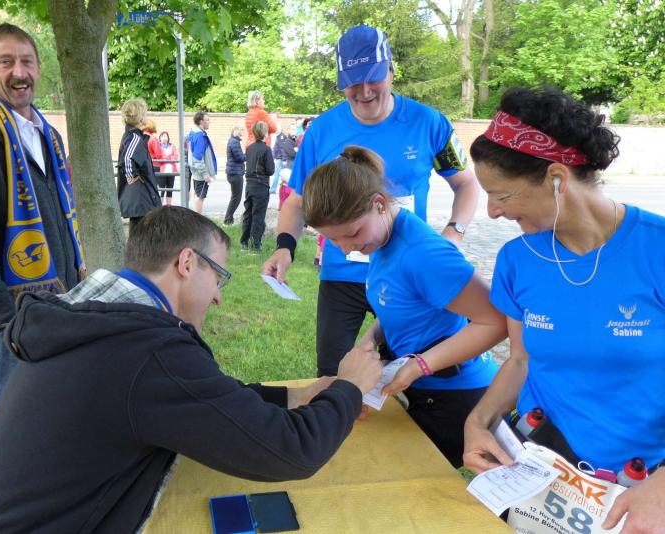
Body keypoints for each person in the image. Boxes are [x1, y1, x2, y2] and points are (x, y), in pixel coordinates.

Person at [0, 206, 383, 533]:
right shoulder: (146, 351)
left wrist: (292, 396)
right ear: (187, 263)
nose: (218, 297)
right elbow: (293, 450)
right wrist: (348, 388)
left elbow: (199, 396)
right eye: (219, 278)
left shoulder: (96, 318)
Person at [463, 87, 665, 532]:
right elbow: (520, 360)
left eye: (501, 195)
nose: (492, 212)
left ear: (556, 178)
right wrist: (476, 422)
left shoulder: (656, 248)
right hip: (539, 467)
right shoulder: (518, 260)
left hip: (640, 485)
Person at [263, 25, 480, 377]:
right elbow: (297, 201)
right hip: (342, 274)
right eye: (353, 82)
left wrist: (454, 233)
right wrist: (284, 248)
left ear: (391, 71)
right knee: (333, 374)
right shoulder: (321, 131)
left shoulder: (428, 123)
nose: (364, 92)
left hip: (405, 272)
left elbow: (466, 184)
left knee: (409, 373)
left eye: (373, 78)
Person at [302, 146, 504, 467]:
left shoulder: (422, 254)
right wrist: (369, 341)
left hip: (457, 396)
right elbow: (399, 304)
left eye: (351, 234)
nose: (345, 248)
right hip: (422, 388)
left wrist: (421, 365)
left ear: (379, 204)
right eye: (333, 240)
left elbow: (496, 321)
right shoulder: (380, 237)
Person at [0, 23, 86, 441]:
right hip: (10, 309)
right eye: (6, 62)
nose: (19, 72)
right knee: (7, 417)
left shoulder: (47, 135)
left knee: (43, 406)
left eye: (27, 61)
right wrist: (8, 320)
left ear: (38, 69)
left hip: (55, 299)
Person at [117, 98, 162, 237]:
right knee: (142, 236)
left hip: (140, 200)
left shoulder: (133, 136)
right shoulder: (134, 137)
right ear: (140, 117)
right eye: (145, 113)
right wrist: (132, 176)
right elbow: (127, 159)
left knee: (138, 236)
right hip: (141, 199)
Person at [240, 121, 275, 252]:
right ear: (265, 133)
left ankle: (244, 242)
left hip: (249, 185)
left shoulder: (249, 148)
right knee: (258, 216)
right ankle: (256, 244)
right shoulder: (266, 149)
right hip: (261, 186)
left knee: (248, 214)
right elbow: (270, 170)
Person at [187, 112, 216, 214]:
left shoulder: (194, 133)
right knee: (200, 197)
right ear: (201, 121)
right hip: (200, 173)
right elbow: (197, 158)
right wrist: (205, 174)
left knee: (197, 195)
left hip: (196, 172)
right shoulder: (200, 136)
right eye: (207, 120)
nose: (209, 122)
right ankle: (196, 220)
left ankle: (194, 219)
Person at [224, 125, 246, 225]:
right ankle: (227, 220)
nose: (243, 132)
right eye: (242, 130)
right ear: (237, 131)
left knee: (235, 197)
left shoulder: (233, 141)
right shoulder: (234, 142)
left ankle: (229, 219)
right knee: (236, 198)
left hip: (234, 173)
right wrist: (249, 154)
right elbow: (239, 158)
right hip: (235, 174)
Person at [158, 131, 178, 206]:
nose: (164, 138)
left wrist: (167, 158)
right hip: (162, 171)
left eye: (166, 136)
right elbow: (159, 157)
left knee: (170, 189)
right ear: (160, 138)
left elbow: (175, 156)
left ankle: (169, 207)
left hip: (172, 171)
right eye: (163, 136)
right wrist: (168, 157)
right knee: (162, 190)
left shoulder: (172, 146)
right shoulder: (158, 146)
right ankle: (160, 206)